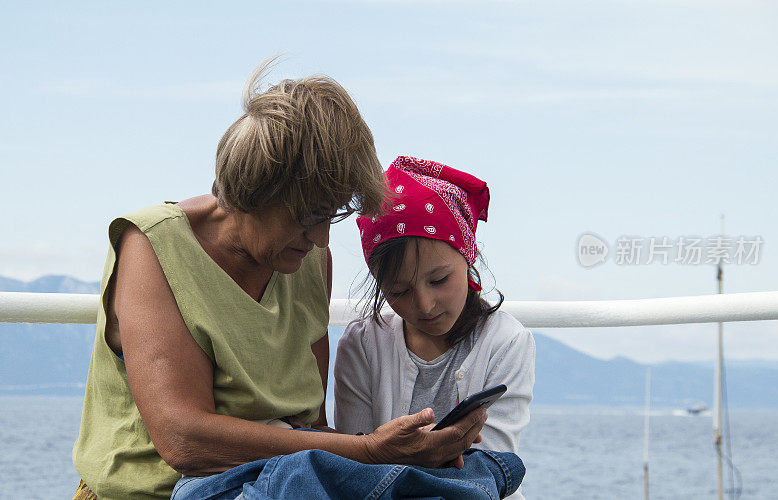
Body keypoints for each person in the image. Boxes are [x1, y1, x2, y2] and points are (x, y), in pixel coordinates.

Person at [71, 63, 488, 500]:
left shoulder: (308, 257)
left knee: (487, 470)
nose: (322, 239)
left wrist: (395, 452)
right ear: (255, 190)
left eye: (332, 216)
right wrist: (369, 452)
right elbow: (184, 441)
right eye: (309, 217)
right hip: (164, 492)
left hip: (281, 484)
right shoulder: (154, 247)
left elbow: (312, 427)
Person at [333, 156, 535, 468]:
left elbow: (494, 465)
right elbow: (351, 462)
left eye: (439, 280)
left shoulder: (506, 341)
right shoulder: (363, 344)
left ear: (467, 255)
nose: (425, 305)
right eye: (399, 291)